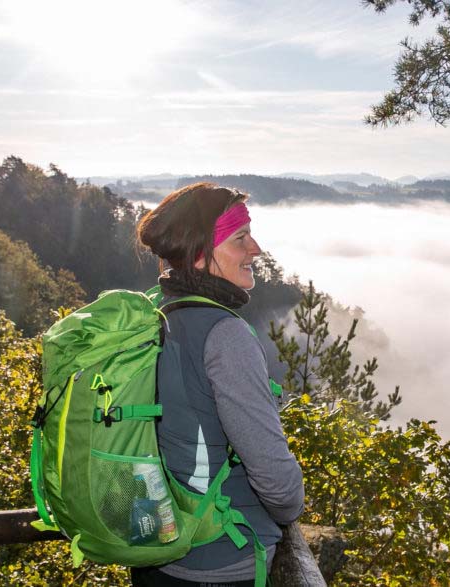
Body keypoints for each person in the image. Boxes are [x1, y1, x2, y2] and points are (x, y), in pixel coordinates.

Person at [132, 183, 305, 586]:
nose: (256, 248)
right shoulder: (226, 337)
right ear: (199, 252)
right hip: (219, 563)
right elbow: (278, 485)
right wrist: (290, 506)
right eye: (240, 237)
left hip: (154, 553)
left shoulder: (155, 319)